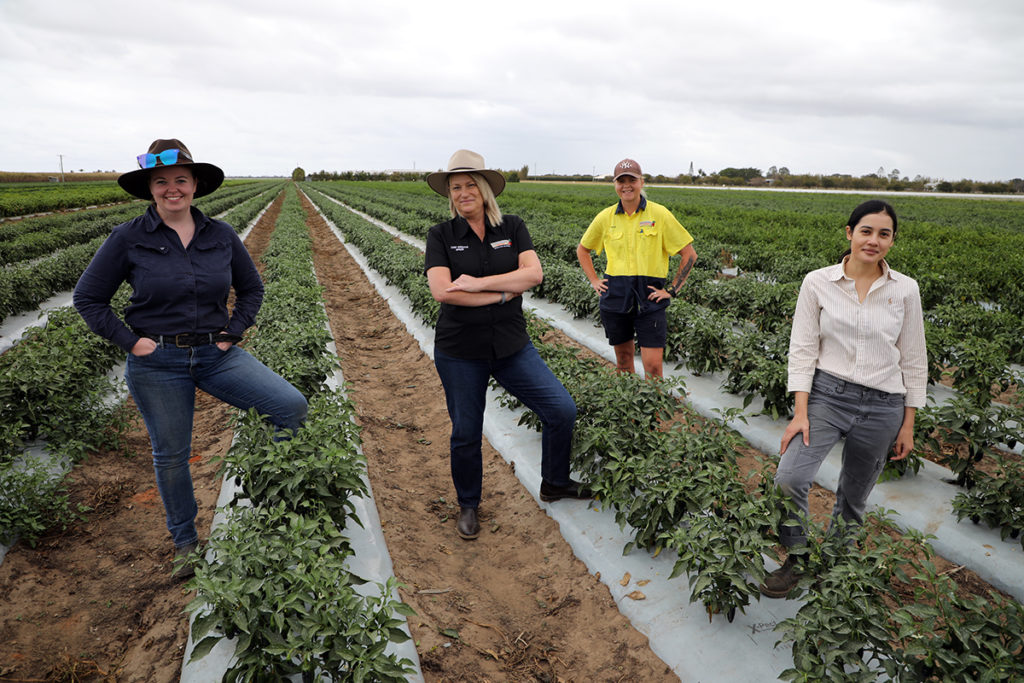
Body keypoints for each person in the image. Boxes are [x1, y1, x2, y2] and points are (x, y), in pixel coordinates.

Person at [73, 139, 308, 580]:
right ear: (150, 188)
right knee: (171, 455)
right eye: (161, 182)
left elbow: (252, 288)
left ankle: (272, 505)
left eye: (180, 179)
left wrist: (233, 332)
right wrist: (131, 342)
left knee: (290, 406)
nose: (171, 189)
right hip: (157, 361)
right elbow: (88, 298)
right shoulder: (127, 238)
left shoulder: (220, 235)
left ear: (195, 184)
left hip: (215, 355)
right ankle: (185, 542)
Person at [760, 199, 927, 598]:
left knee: (854, 496)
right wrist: (800, 412)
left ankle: (834, 566)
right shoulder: (817, 282)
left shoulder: (905, 289)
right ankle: (798, 557)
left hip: (884, 404)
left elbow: (914, 358)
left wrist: (908, 424)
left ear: (892, 241)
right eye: (866, 231)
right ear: (849, 233)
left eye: (884, 234)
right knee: (789, 479)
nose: (874, 240)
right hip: (827, 396)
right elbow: (802, 349)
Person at [424, 149, 590, 541]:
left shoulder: (512, 227)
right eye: (455, 188)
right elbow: (443, 293)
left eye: (469, 185)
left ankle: (555, 482)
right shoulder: (441, 235)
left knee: (561, 409)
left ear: (484, 190)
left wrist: (480, 285)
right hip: (460, 351)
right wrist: (503, 293)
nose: (462, 193)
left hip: (512, 345)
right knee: (466, 430)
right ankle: (468, 504)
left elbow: (533, 275)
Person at [577, 158, 697, 377]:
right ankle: (630, 409)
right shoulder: (605, 217)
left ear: (641, 182)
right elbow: (582, 250)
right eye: (620, 181)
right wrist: (594, 280)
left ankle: (655, 412)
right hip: (615, 296)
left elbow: (689, 254)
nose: (626, 185)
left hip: (649, 298)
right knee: (623, 361)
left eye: (631, 179)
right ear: (615, 185)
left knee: (653, 366)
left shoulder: (659, 214)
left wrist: (672, 290)